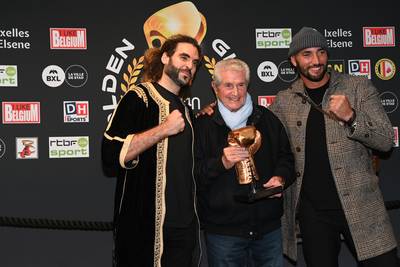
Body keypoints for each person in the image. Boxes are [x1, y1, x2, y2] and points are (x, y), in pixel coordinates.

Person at [269, 27, 399, 267]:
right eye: (306, 54)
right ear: (294, 61)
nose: (316, 60)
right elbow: (267, 141)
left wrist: (352, 116)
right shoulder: (284, 100)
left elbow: (385, 141)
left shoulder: (358, 87)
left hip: (361, 206)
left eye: (321, 52)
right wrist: (213, 108)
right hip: (313, 215)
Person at [101, 34, 202, 267]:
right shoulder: (138, 98)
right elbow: (110, 154)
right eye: (183, 57)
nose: (190, 65)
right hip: (145, 228)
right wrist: (163, 129)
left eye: (195, 62)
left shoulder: (187, 111)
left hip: (184, 228)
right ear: (165, 57)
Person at [195, 58, 295, 267]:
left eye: (241, 85)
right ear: (215, 87)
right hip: (224, 232)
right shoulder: (202, 126)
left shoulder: (267, 119)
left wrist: (281, 178)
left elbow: (287, 158)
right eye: (228, 85)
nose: (235, 92)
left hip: (268, 229)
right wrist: (221, 163)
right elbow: (191, 175)